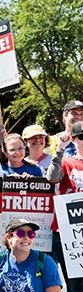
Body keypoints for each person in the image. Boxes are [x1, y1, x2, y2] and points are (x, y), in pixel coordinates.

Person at [46, 120, 83, 291]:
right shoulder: (67, 162)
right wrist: (60, 149)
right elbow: (52, 177)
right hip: (69, 232)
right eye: (82, 137)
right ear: (74, 140)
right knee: (74, 284)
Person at [0, 218, 62, 292]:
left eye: (31, 234)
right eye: (21, 233)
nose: (26, 238)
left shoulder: (45, 261)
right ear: (8, 237)